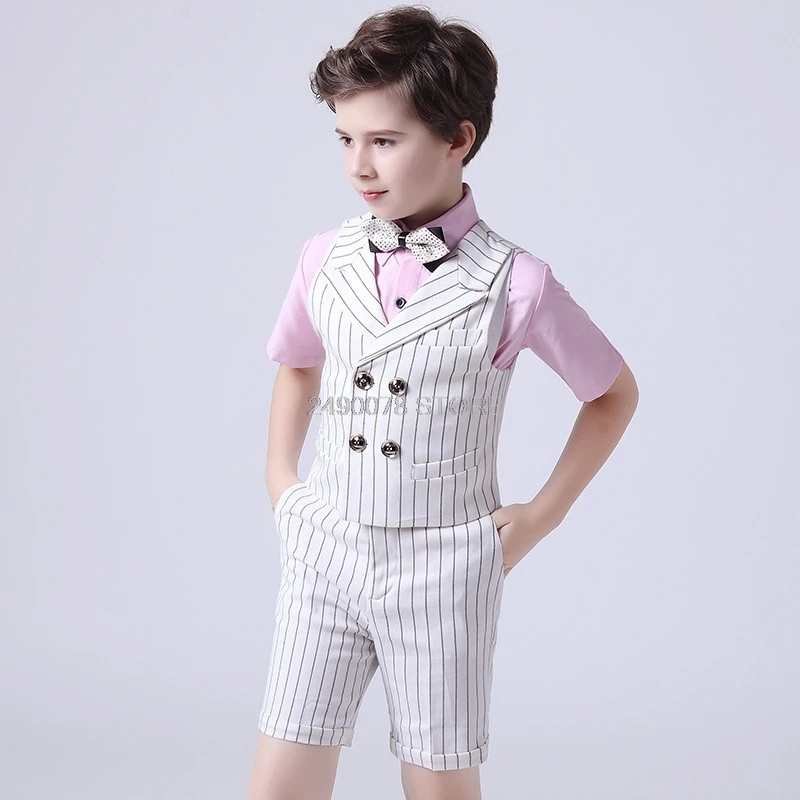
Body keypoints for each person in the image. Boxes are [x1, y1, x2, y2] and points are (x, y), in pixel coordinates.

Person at [247, 6, 639, 799]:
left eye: (384, 141)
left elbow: (612, 393)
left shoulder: (514, 282)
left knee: (438, 779)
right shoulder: (324, 257)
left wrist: (540, 516)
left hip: (444, 563)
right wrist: (282, 482)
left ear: (459, 138)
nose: (359, 165)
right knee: (281, 775)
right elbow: (297, 364)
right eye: (345, 139)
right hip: (325, 546)